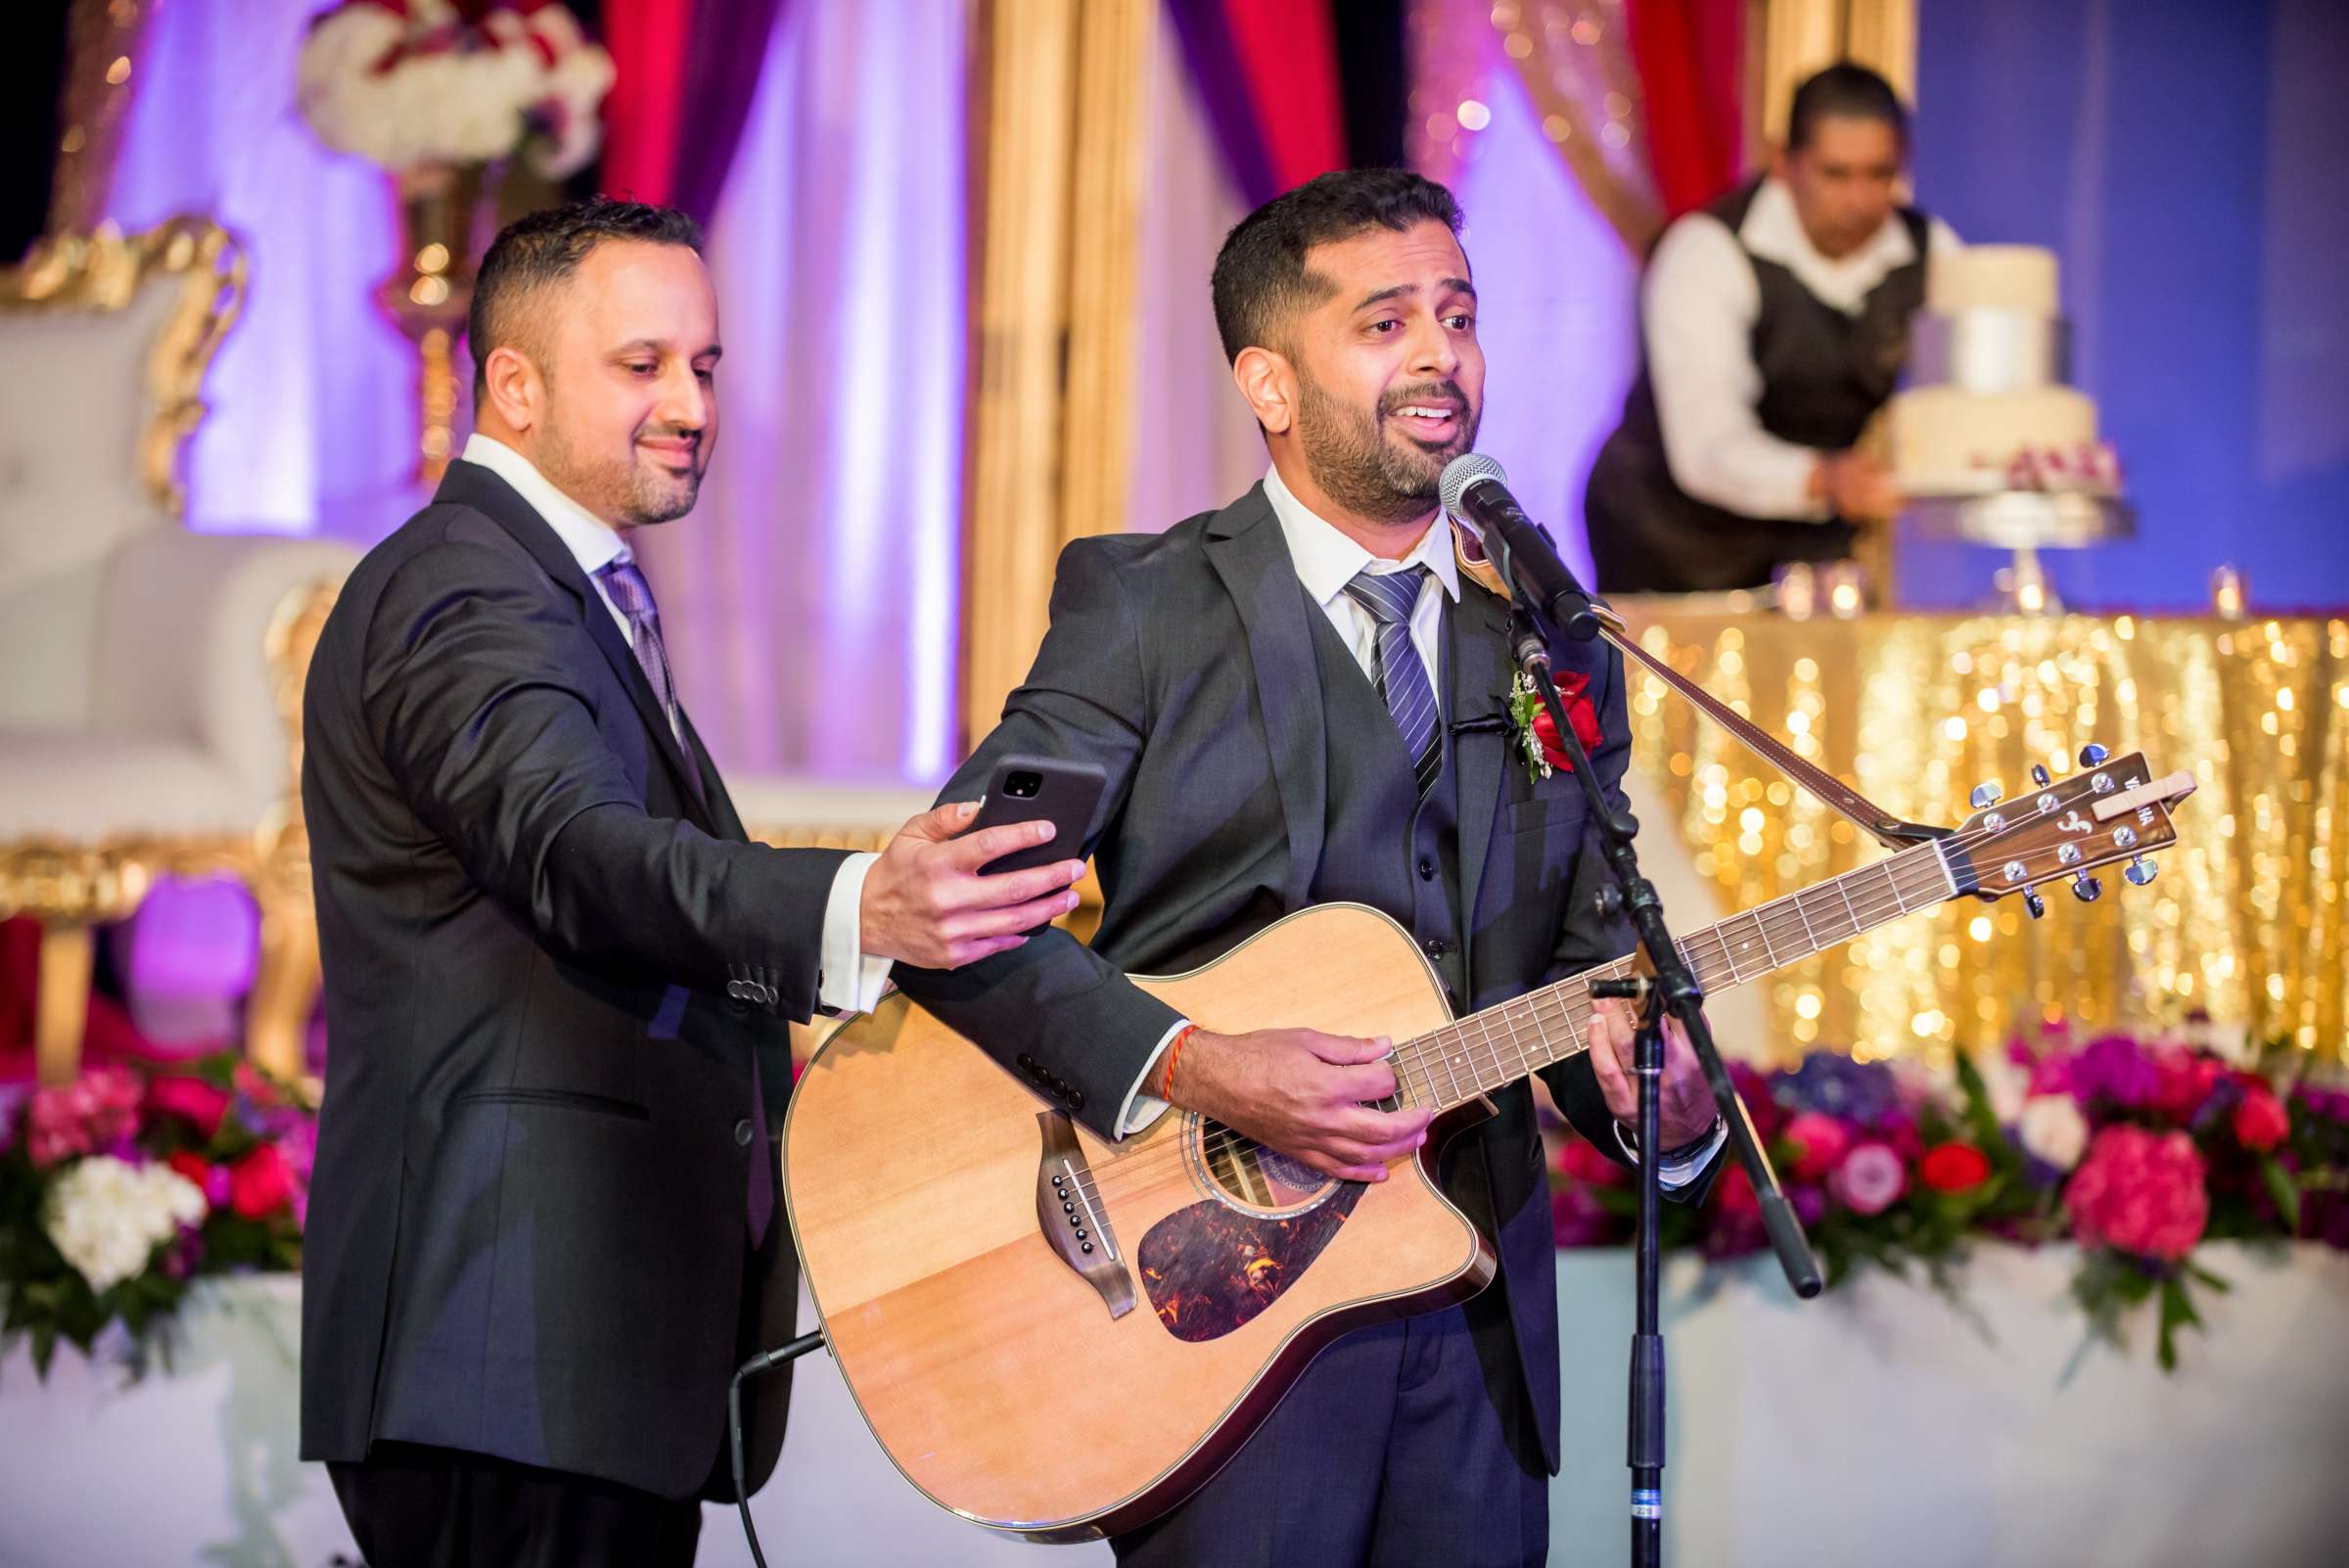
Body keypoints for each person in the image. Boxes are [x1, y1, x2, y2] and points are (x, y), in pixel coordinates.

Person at [892, 169, 1726, 1568]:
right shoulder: (1147, 608)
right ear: (1270, 383)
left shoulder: (1553, 644)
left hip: (1472, 1322)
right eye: (1386, 320)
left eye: (1457, 314)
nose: (1440, 354)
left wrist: (1671, 1107)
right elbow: (959, 913)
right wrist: (1196, 1062)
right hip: (1216, 1325)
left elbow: (1590, 978)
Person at [297, 199, 1086, 1568]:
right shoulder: (466, 590)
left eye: (706, 366)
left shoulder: (554, 586)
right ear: (516, 385)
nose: (690, 402)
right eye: (642, 362)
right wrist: (857, 908)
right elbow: (581, 855)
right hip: (506, 1348)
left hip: (572, 1361)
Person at [1585, 63, 1961, 593]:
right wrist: (1828, 479)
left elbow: (1973, 401)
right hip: (1669, 544)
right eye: (1836, 174)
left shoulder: (1931, 250)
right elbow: (1708, 449)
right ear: (1785, 162)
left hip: (1810, 552)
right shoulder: (1707, 251)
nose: (1860, 201)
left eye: (1879, 174)